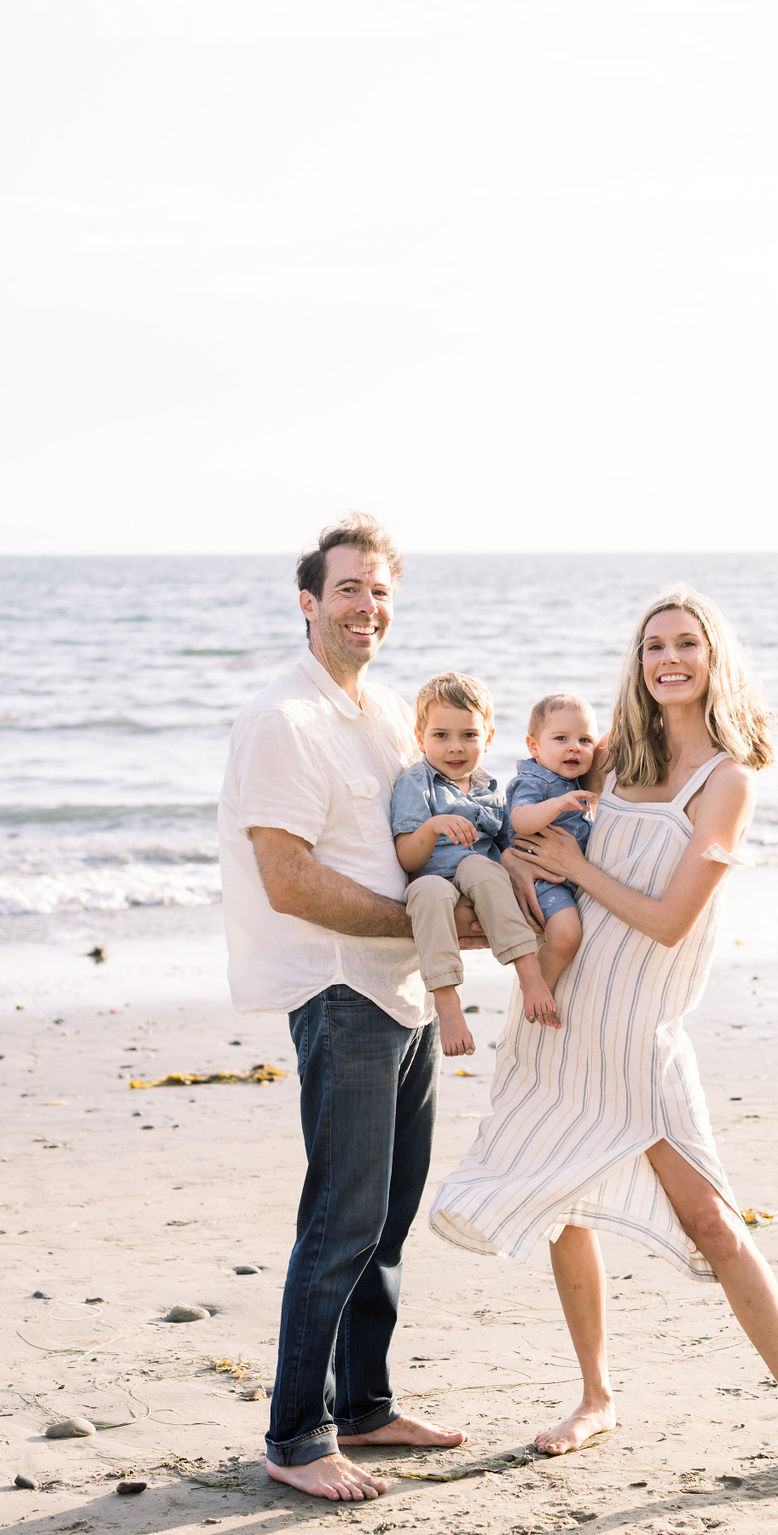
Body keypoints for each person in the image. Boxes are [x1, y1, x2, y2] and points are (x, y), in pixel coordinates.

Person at [430, 590, 778, 1494]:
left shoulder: (728, 781)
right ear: (639, 661)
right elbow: (515, 824)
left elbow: (669, 921)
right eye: (654, 644)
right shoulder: (614, 759)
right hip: (562, 1015)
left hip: (642, 1030)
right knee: (565, 1201)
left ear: (713, 657)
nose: (669, 657)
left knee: (714, 1221)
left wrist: (578, 869)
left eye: (686, 643)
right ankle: (595, 1395)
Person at [218, 516, 534, 1503]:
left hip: (401, 990)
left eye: (380, 592)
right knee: (341, 1218)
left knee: (388, 1218)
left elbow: (441, 820)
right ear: (308, 600)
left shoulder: (387, 709)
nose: (367, 607)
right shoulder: (285, 719)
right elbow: (287, 878)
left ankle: (364, 1405)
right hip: (338, 989)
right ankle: (295, 1433)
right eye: (349, 588)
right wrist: (415, 922)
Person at [390, 672, 559, 1058]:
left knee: (481, 868)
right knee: (430, 892)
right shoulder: (416, 784)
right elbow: (406, 857)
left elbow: (506, 849)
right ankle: (449, 1007)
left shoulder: (491, 790)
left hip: (475, 875)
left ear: (489, 737)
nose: (455, 747)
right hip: (430, 878)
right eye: (440, 736)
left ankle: (529, 973)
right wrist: (433, 827)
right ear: (420, 738)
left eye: (469, 735)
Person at [505, 692, 599, 992]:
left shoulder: (568, 781)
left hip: (565, 874)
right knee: (566, 935)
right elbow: (520, 819)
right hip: (543, 876)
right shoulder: (535, 782)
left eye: (585, 741)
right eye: (561, 738)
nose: (575, 747)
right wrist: (557, 805)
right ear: (534, 746)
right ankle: (537, 987)